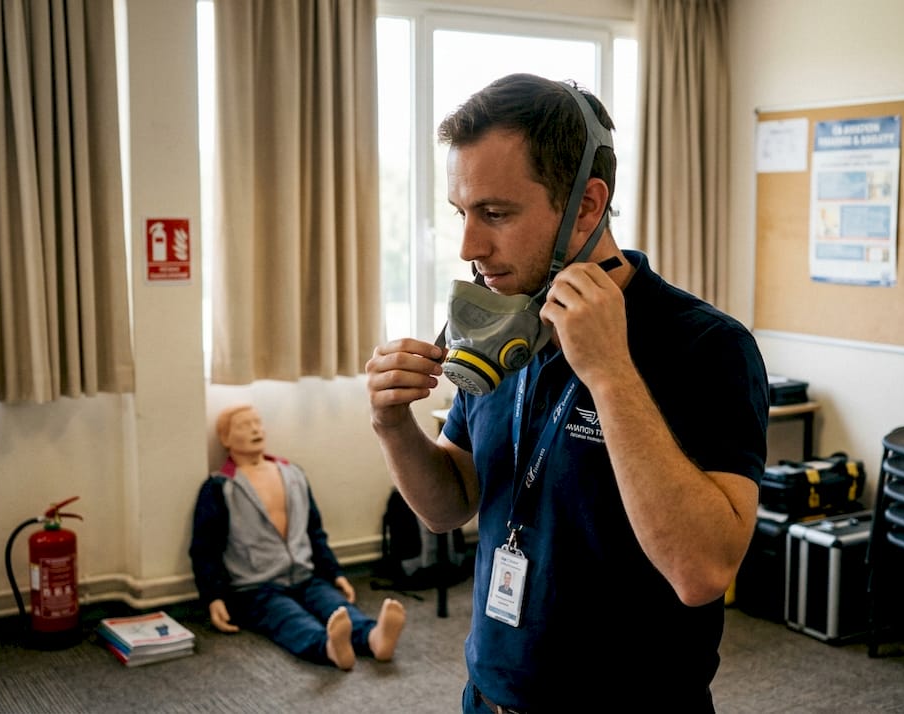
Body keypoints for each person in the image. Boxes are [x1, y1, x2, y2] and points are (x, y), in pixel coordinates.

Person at [365, 73, 768, 712]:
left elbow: (703, 572)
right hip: (491, 695)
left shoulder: (706, 345)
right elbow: (450, 505)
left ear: (586, 203)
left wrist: (610, 375)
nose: (470, 246)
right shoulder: (503, 323)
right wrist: (393, 426)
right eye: (462, 214)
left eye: (495, 213)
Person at [189, 405, 406, 670]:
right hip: (256, 587)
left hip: (305, 575)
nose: (255, 429)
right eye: (244, 425)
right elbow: (205, 549)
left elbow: (314, 531)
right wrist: (213, 596)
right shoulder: (220, 487)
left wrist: (334, 572)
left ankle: (374, 638)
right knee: (289, 619)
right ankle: (328, 647)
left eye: (258, 422)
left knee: (335, 606)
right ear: (225, 438)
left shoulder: (293, 474)